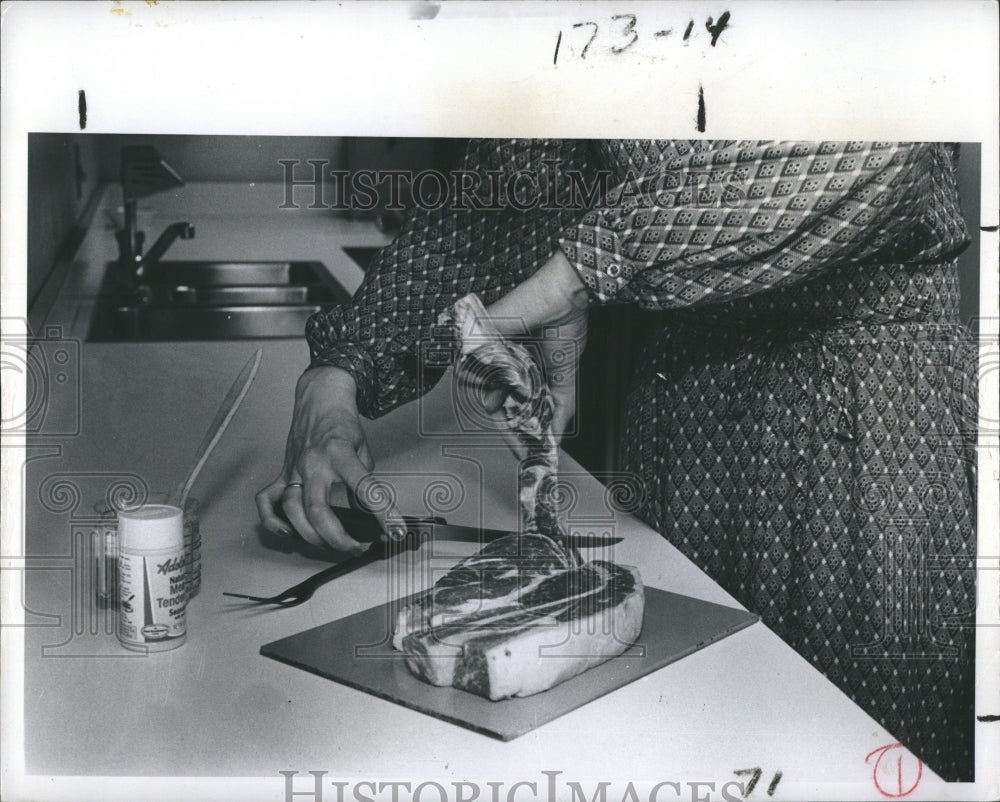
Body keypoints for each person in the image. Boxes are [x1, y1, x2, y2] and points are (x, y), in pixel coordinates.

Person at [257, 140, 977, 781]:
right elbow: (505, 196)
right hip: (684, 412)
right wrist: (337, 377)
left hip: (860, 422)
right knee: (671, 737)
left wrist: (579, 272)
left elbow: (883, 151)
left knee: (835, 748)